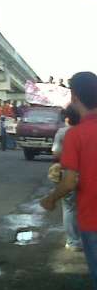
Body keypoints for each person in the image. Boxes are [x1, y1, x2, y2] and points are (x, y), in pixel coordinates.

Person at [41, 72, 97, 290]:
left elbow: (69, 182)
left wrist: (50, 199)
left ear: (74, 97)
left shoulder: (76, 135)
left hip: (92, 218)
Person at [50, 105, 82, 250]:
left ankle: (73, 242)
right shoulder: (87, 130)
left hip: (68, 173)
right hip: (87, 173)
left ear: (67, 118)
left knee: (69, 208)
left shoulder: (62, 132)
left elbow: (56, 153)